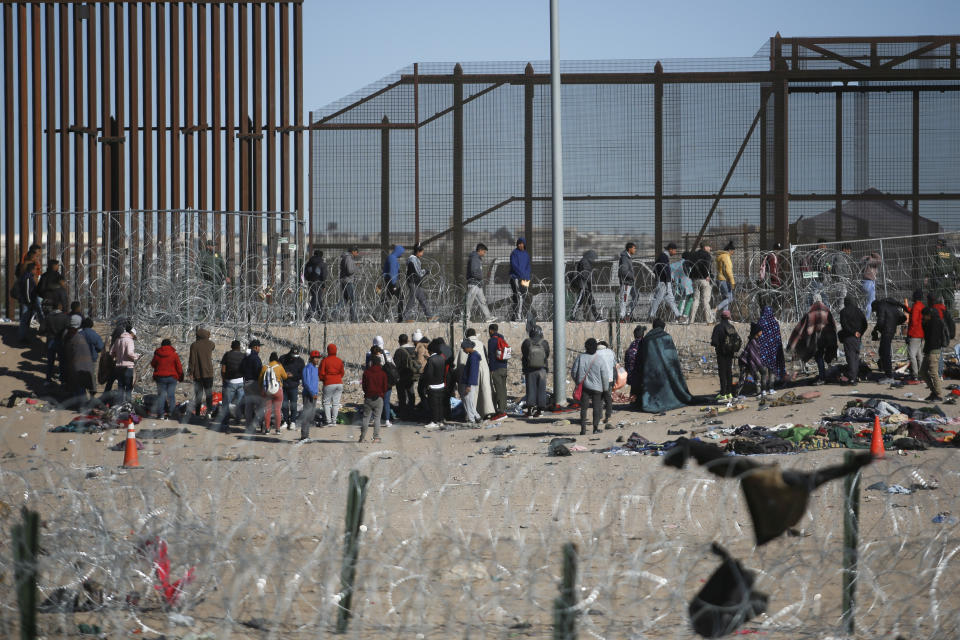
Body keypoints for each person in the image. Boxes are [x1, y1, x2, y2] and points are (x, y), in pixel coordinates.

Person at [634, 319, 693, 412]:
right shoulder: (666, 337)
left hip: (651, 370)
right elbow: (671, 354)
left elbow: (642, 356)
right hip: (666, 368)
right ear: (663, 327)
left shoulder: (647, 339)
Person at [786, 297, 838, 385]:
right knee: (828, 355)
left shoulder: (811, 312)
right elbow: (833, 325)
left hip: (816, 340)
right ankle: (830, 374)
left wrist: (793, 342)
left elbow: (801, 329)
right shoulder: (827, 310)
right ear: (821, 300)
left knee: (819, 357)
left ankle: (822, 377)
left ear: (813, 301)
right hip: (827, 338)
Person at [571, 338, 609, 435]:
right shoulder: (600, 359)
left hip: (584, 387)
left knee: (584, 408)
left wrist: (578, 382)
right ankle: (595, 428)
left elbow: (574, 372)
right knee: (596, 408)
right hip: (597, 388)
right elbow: (604, 376)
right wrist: (605, 389)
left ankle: (583, 429)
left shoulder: (581, 357)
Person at [457, 328, 494, 418]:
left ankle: (472, 415)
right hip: (484, 368)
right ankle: (487, 411)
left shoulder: (466, 345)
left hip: (472, 370)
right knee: (485, 390)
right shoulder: (481, 344)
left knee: (471, 395)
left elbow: (460, 361)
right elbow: (485, 356)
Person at [870, 297, 908, 384]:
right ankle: (886, 371)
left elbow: (880, 321)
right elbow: (903, 318)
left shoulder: (881, 306)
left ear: (876, 306)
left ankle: (888, 376)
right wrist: (893, 323)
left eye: (875, 311)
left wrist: (875, 329)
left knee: (885, 353)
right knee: (883, 351)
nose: (876, 313)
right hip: (891, 330)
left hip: (887, 331)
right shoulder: (890, 306)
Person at [62, 315, 95, 405]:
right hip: (82, 366)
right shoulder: (78, 337)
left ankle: (80, 404)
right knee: (81, 388)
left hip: (76, 367)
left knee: (79, 388)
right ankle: (82, 405)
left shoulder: (71, 336)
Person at [649, 242, 684, 322]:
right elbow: (663, 269)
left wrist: (669, 278)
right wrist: (665, 279)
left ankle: (678, 315)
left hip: (665, 281)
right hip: (663, 282)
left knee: (671, 299)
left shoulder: (664, 257)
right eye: (674, 250)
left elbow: (658, 269)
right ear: (670, 250)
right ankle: (651, 315)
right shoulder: (663, 257)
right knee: (658, 299)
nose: (675, 253)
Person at [838, 293, 868, 385]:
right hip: (857, 338)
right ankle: (854, 375)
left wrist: (853, 332)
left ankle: (852, 378)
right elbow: (865, 324)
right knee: (855, 357)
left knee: (850, 357)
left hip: (848, 338)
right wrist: (860, 333)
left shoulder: (843, 312)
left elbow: (844, 325)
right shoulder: (859, 311)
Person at [920, 303, 947, 402]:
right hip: (929, 350)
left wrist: (925, 325)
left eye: (924, 315)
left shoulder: (935, 323)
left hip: (933, 350)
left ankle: (939, 394)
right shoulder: (930, 322)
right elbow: (927, 336)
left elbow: (932, 338)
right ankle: (934, 391)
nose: (923, 317)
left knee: (933, 373)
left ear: (929, 315)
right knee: (923, 372)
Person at [150, 338, 184, 418]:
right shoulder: (174, 354)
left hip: (160, 377)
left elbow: (153, 364)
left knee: (161, 395)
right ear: (170, 345)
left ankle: (161, 414)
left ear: (162, 345)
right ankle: (171, 413)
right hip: (172, 377)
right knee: (171, 395)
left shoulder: (158, 353)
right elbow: (178, 366)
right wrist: (181, 376)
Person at [366, 336, 395, 427]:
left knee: (375, 401)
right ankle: (386, 420)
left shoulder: (369, 354)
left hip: (375, 381)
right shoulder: (387, 353)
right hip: (387, 380)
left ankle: (375, 419)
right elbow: (393, 365)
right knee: (386, 401)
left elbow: (367, 368)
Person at [710, 310, 739, 402]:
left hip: (721, 353)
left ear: (721, 317)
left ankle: (723, 393)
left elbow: (714, 341)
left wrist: (715, 344)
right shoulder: (731, 327)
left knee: (722, 373)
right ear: (729, 317)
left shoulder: (718, 327)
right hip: (730, 353)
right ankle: (729, 392)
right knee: (729, 372)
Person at [521, 325, 549, 416]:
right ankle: (540, 410)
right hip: (542, 369)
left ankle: (530, 411)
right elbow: (547, 354)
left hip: (530, 369)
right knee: (541, 389)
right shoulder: (544, 342)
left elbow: (524, 354)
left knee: (531, 389)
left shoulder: (526, 342)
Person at [218, 340, 247, 431]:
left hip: (229, 382)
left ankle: (225, 423)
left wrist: (224, 379)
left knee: (226, 404)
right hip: (241, 382)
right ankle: (237, 419)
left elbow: (223, 369)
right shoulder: (243, 356)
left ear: (231, 347)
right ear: (239, 347)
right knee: (239, 403)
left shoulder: (227, 355)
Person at [739, 322, 773, 397]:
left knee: (758, 376)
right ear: (756, 332)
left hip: (751, 362)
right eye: (760, 331)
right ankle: (736, 394)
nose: (762, 332)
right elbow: (753, 356)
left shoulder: (757, 340)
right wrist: (759, 365)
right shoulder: (752, 342)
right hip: (745, 363)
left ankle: (759, 392)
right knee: (742, 379)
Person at [188, 327, 216, 419]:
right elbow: (212, 345)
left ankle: (197, 412)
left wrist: (190, 372)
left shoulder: (194, 345)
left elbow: (192, 360)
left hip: (198, 374)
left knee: (198, 395)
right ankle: (209, 411)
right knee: (209, 394)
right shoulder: (211, 344)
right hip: (209, 373)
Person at [926, 238, 960, 312]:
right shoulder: (951, 254)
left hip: (939, 279)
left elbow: (930, 265)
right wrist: (958, 280)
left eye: (938, 245)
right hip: (949, 280)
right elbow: (957, 267)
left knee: (934, 298)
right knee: (949, 300)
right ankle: (949, 318)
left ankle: (935, 316)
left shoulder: (936, 253)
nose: (936, 246)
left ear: (940, 245)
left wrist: (927, 276)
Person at [403, 245, 436, 321]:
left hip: (416, 282)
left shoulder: (414, 259)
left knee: (422, 299)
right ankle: (405, 317)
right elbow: (419, 273)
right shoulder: (413, 260)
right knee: (412, 300)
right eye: (422, 252)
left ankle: (429, 316)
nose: (422, 254)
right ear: (418, 252)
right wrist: (426, 271)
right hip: (413, 282)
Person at [756, 303, 786, 384]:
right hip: (774, 349)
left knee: (764, 369)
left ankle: (764, 387)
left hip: (763, 349)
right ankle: (772, 386)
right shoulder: (774, 322)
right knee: (772, 367)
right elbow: (777, 337)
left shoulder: (760, 322)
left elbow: (757, 336)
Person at [360, 354, 388, 443]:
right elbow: (385, 387)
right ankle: (376, 437)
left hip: (368, 397)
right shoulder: (383, 373)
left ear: (371, 363)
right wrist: (382, 394)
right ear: (379, 363)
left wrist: (367, 392)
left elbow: (364, 386)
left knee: (366, 418)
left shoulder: (366, 373)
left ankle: (362, 437)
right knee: (377, 418)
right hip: (378, 398)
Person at [259, 352, 288, 435]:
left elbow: (260, 380)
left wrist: (261, 389)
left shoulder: (265, 367)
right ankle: (277, 429)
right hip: (277, 390)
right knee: (277, 410)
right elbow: (285, 376)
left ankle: (267, 429)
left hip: (267, 391)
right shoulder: (279, 367)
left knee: (267, 410)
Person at [40, 303, 70, 383]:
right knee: (62, 361)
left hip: (50, 340)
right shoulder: (65, 317)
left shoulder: (48, 317)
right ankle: (62, 380)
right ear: (61, 308)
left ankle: (48, 380)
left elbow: (41, 329)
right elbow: (68, 329)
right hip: (61, 341)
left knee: (50, 362)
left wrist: (47, 332)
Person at [109, 324, 139, 404]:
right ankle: (128, 405)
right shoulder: (130, 340)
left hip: (119, 366)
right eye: (134, 335)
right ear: (132, 333)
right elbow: (129, 353)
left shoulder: (118, 339)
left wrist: (117, 356)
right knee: (128, 388)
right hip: (128, 367)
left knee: (120, 387)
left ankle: (119, 405)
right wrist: (136, 356)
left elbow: (111, 353)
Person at [423, 339, 448, 428]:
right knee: (440, 404)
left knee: (433, 405)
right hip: (441, 384)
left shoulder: (431, 360)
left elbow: (429, 374)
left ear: (431, 350)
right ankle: (440, 420)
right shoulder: (441, 358)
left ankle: (434, 421)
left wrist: (427, 385)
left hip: (433, 386)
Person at [465, 243, 494, 322]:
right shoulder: (475, 258)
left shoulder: (477, 258)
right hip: (474, 283)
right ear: (480, 250)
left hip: (478, 283)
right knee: (469, 301)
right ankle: (464, 318)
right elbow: (474, 271)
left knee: (482, 301)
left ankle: (488, 317)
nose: (484, 254)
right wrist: (480, 277)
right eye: (484, 252)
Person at [278, 347, 305, 430]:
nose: (294, 357)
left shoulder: (300, 361)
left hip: (294, 386)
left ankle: (293, 421)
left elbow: (301, 374)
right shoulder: (282, 358)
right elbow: (278, 370)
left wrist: (293, 376)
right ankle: (286, 421)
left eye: (296, 355)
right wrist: (284, 375)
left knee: (293, 404)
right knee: (284, 405)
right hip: (284, 385)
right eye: (293, 355)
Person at [240, 339, 264, 433]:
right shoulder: (256, 358)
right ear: (256, 347)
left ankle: (248, 426)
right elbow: (259, 371)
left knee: (249, 406)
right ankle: (260, 425)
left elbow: (241, 369)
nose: (260, 349)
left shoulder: (245, 358)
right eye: (259, 347)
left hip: (246, 383)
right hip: (254, 383)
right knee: (259, 405)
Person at [687, 243, 714, 324]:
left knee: (695, 300)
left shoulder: (693, 255)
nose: (710, 248)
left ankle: (691, 320)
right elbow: (707, 265)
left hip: (694, 279)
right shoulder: (707, 255)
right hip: (704, 280)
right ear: (705, 247)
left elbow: (689, 265)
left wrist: (692, 275)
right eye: (709, 246)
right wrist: (707, 275)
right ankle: (708, 320)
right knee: (705, 301)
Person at [393, 334, 419, 418]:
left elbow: (395, 365)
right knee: (411, 394)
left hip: (401, 376)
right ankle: (411, 411)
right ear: (407, 340)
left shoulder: (399, 351)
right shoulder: (413, 349)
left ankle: (403, 413)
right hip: (412, 375)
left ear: (399, 341)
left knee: (402, 396)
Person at [571, 250, 601, 321]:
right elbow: (584, 273)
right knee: (579, 301)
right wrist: (590, 278)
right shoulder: (584, 261)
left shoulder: (586, 262)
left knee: (591, 301)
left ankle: (596, 316)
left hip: (587, 285)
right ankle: (572, 316)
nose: (593, 260)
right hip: (583, 285)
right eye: (593, 257)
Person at [319, 343, 345, 426]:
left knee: (326, 402)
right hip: (339, 382)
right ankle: (334, 421)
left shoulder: (325, 360)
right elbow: (342, 373)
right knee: (336, 403)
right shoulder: (339, 360)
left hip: (329, 382)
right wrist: (337, 377)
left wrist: (324, 379)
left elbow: (321, 373)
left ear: (328, 351)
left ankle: (328, 421)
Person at [487, 324, 509, 417]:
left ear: (491, 330)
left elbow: (491, 356)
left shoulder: (492, 341)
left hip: (496, 368)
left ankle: (500, 411)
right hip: (504, 367)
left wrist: (491, 369)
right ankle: (503, 407)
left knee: (499, 390)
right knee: (503, 389)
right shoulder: (502, 338)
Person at [458, 339, 483, 424]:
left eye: (464, 348)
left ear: (468, 347)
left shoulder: (473, 357)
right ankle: (477, 417)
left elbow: (472, 372)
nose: (463, 350)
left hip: (469, 383)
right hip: (470, 382)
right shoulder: (473, 355)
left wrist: (469, 385)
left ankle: (472, 420)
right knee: (470, 401)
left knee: (468, 402)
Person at [14, 261, 39, 345]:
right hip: (27, 303)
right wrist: (29, 302)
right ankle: (22, 337)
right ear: (32, 269)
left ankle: (24, 336)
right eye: (35, 269)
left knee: (26, 320)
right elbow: (27, 291)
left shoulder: (27, 276)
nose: (36, 271)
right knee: (24, 320)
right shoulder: (28, 278)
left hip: (26, 302)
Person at [381, 244, 405, 322]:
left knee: (387, 298)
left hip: (389, 281)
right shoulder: (393, 259)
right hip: (392, 282)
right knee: (400, 298)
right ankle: (399, 317)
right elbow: (393, 272)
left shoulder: (391, 257)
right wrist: (394, 284)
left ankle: (386, 316)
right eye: (401, 253)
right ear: (398, 252)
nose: (401, 255)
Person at [300, 350, 321, 440]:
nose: (317, 360)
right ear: (311, 358)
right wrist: (312, 393)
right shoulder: (307, 368)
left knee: (311, 416)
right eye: (315, 358)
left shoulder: (315, 369)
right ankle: (304, 435)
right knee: (307, 415)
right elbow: (306, 383)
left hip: (314, 395)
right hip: (309, 395)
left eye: (318, 358)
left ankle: (306, 435)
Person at [509, 237, 532, 321]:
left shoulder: (526, 254)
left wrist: (527, 276)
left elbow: (528, 266)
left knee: (525, 296)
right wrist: (521, 275)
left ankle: (523, 315)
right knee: (519, 297)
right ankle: (518, 316)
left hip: (525, 279)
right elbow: (514, 265)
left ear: (524, 244)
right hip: (517, 278)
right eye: (519, 243)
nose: (520, 245)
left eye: (521, 243)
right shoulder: (514, 253)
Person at [623, 325, 647, 401]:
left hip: (631, 375)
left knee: (634, 390)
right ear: (643, 335)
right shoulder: (645, 344)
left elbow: (626, 361)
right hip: (641, 375)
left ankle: (634, 401)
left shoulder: (631, 345)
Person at [303, 249, 328, 321]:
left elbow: (305, 274)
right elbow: (324, 275)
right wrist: (323, 285)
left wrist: (309, 280)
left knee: (318, 299)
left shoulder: (309, 263)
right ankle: (308, 316)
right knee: (316, 298)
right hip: (319, 283)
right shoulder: (322, 263)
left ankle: (322, 317)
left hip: (311, 283)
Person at [596, 340, 616, 427]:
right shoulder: (611, 352)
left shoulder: (596, 353)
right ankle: (608, 416)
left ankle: (600, 417)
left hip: (599, 379)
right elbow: (614, 364)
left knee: (599, 399)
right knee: (608, 398)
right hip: (609, 378)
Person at [906, 290, 925, 381]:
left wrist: (909, 334)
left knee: (911, 355)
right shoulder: (921, 306)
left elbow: (913, 320)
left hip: (914, 334)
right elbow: (914, 313)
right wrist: (907, 309)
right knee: (919, 355)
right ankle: (921, 374)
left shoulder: (916, 306)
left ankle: (915, 374)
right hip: (921, 334)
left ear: (915, 297)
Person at [618, 242, 638, 321]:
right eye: (634, 248)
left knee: (636, 295)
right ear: (629, 249)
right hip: (626, 282)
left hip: (630, 282)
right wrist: (632, 276)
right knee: (624, 299)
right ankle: (622, 317)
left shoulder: (628, 257)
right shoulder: (625, 258)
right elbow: (624, 271)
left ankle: (628, 313)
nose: (635, 250)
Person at [339, 246, 360, 322]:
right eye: (357, 252)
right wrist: (356, 267)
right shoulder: (348, 258)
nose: (357, 254)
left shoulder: (346, 257)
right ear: (353, 251)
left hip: (345, 281)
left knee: (345, 300)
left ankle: (334, 313)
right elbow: (350, 271)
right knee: (352, 300)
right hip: (348, 282)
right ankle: (353, 318)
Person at [715, 241, 736, 314]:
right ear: (730, 250)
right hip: (724, 279)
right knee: (729, 298)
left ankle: (725, 316)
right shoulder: (726, 257)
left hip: (719, 278)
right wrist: (732, 282)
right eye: (733, 251)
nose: (733, 253)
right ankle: (715, 310)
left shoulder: (720, 256)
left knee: (725, 298)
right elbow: (728, 271)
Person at [861, 251, 881, 317]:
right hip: (869, 283)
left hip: (865, 282)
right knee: (870, 303)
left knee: (872, 301)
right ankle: (867, 318)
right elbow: (879, 260)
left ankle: (873, 316)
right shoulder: (871, 262)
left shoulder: (867, 262)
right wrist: (874, 254)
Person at [414, 331, 431, 406]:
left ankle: (425, 406)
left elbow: (419, 361)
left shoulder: (420, 347)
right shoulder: (427, 345)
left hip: (422, 372)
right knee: (425, 390)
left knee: (421, 390)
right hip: (428, 370)